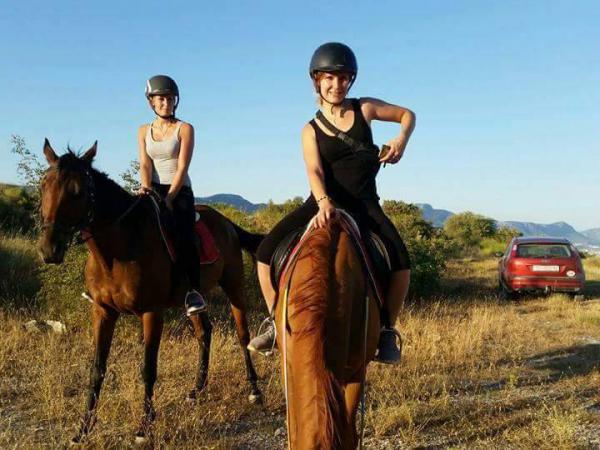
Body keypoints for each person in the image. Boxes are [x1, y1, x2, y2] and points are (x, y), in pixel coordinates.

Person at [248, 43, 415, 364]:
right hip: (321, 202)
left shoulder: (365, 109)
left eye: (343, 78)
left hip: (365, 204)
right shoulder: (309, 130)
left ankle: (386, 330)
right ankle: (273, 320)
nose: (336, 85)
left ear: (350, 81)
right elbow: (313, 169)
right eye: (329, 78)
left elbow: (408, 114)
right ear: (317, 81)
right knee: (266, 253)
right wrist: (323, 201)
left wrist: (401, 139)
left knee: (401, 262)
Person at [138, 74, 206, 316]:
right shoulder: (143, 130)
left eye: (170, 98)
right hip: (153, 188)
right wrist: (146, 188)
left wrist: (169, 198)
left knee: (184, 234)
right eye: (161, 99)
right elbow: (145, 164)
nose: (166, 103)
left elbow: (182, 167)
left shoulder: (185, 128)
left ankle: (192, 291)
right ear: (151, 102)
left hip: (179, 190)